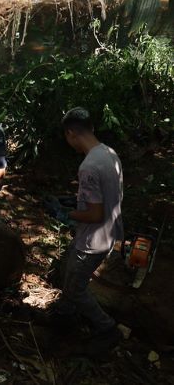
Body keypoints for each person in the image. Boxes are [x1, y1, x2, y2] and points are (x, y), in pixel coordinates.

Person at [45, 107, 123, 351]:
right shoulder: (109, 153)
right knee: (69, 272)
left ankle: (107, 328)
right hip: (110, 233)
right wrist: (74, 200)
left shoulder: (88, 166)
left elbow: (95, 213)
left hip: (93, 241)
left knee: (75, 288)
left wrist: (63, 212)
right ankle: (65, 314)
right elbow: (103, 198)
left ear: (70, 134)